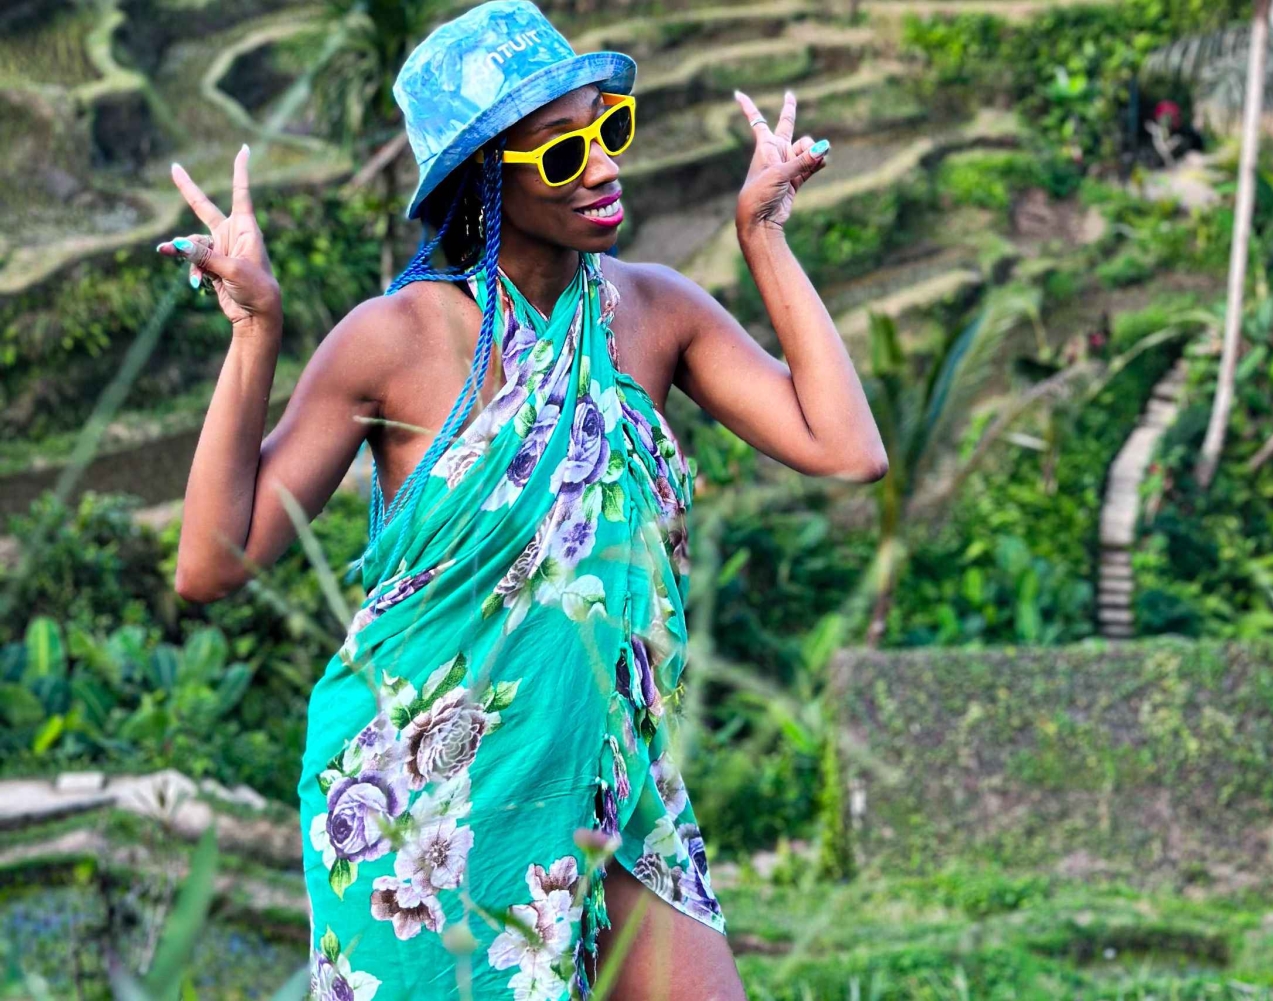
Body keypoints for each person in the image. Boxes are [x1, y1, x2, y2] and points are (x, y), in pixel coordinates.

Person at [158, 1, 885, 998]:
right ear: (483, 180)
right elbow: (210, 563)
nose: (603, 166)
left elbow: (846, 450)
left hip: (609, 778)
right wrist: (255, 332)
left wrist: (762, 235)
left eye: (608, 129)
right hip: (425, 813)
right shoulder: (395, 340)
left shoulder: (652, 311)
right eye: (562, 151)